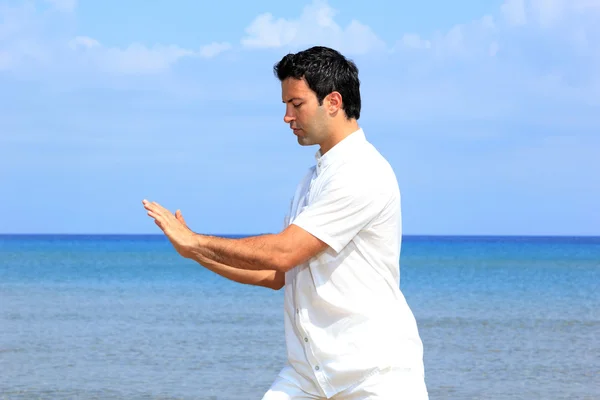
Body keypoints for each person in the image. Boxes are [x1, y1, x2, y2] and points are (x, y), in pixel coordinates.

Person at [142, 46, 428, 399]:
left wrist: (197, 240)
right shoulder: (312, 179)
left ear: (333, 102)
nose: (287, 117)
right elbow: (278, 276)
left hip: (373, 376)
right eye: (285, 106)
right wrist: (197, 255)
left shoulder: (363, 172)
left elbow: (283, 253)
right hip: (309, 376)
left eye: (297, 104)